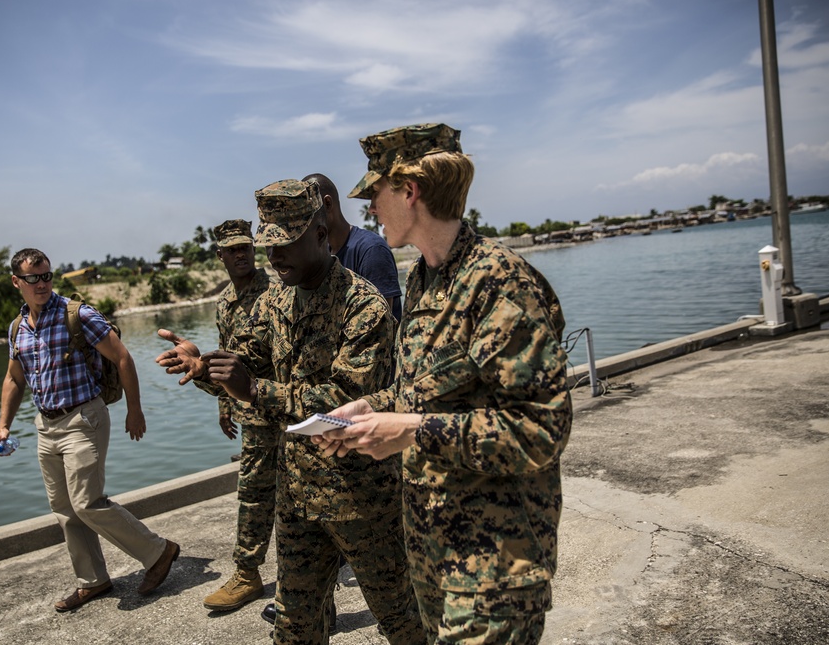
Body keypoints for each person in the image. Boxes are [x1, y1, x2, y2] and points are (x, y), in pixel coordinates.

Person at [316, 124, 573, 644]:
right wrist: (368, 407)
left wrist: (412, 430)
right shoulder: (426, 277)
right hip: (436, 559)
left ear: (409, 192)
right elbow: (425, 391)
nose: (370, 210)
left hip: (496, 567)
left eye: (376, 194)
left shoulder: (498, 282)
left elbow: (541, 429)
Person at [156, 179, 425, 645]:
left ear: (321, 235)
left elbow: (343, 403)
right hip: (297, 497)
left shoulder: (364, 307)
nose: (273, 258)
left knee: (401, 620)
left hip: (361, 499)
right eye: (268, 246)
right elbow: (246, 361)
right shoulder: (276, 301)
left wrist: (254, 389)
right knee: (294, 626)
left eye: (285, 245)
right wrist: (205, 368)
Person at [0, 248, 180, 613]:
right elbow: (14, 379)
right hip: (45, 426)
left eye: (47, 275)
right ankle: (93, 579)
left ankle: (159, 551)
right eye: (33, 278)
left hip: (84, 419)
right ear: (17, 282)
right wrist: (3, 426)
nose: (42, 283)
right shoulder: (17, 328)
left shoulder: (77, 315)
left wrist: (134, 409)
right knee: (64, 509)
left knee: (86, 502)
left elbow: (122, 357)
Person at [197, 219, 280, 612]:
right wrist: (224, 403)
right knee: (253, 494)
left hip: (284, 409)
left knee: (288, 496)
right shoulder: (225, 300)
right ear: (220, 256)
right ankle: (248, 573)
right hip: (251, 416)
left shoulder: (277, 289)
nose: (240, 254)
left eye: (244, 246)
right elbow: (227, 355)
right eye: (231, 249)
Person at [302, 172, 402, 321]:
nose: (303, 223)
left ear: (327, 204)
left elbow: (381, 325)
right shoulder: (325, 255)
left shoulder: (371, 250)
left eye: (307, 213)